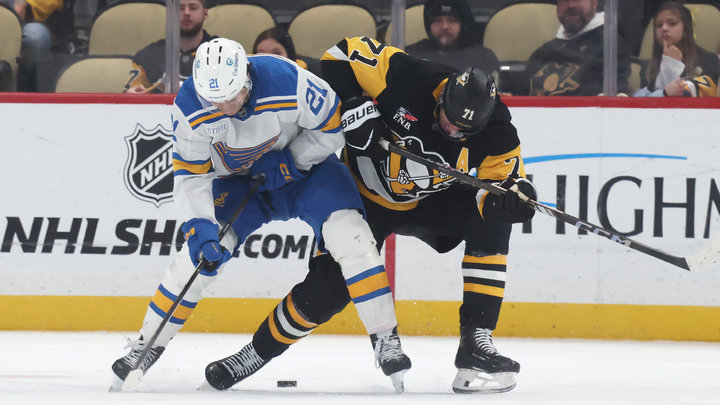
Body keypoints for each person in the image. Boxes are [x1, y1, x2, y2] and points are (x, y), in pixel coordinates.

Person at [227, 36, 535, 395]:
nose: (452, 130)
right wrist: (354, 103)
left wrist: (509, 202)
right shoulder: (410, 76)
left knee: (495, 222)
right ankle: (255, 353)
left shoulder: (499, 132)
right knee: (326, 293)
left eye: (463, 131)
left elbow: (502, 187)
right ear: (442, 97)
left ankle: (475, 343)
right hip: (361, 198)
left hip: (431, 201)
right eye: (448, 120)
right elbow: (339, 54)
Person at [111, 38, 411, 393]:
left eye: (231, 96)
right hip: (238, 184)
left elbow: (332, 127)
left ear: (247, 77)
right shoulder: (190, 106)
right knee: (196, 259)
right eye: (215, 100)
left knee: (353, 237)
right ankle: (146, 344)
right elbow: (190, 175)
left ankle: (385, 339)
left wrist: (292, 161)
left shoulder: (287, 79)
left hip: (306, 173)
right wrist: (200, 226)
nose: (224, 107)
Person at [525, 0, 632, 96]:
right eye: (564, 1)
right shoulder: (544, 51)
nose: (570, 5)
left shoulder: (610, 46)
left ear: (594, 2)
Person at [124, 0, 215, 93]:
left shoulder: (221, 52)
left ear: (205, 13)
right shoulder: (148, 55)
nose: (186, 13)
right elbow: (130, 93)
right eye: (180, 8)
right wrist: (131, 94)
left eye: (193, 8)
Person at [633, 1, 719, 97]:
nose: (664, 28)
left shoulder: (708, 60)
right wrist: (669, 65)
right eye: (659, 25)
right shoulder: (648, 68)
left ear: (686, 28)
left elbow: (703, 96)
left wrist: (671, 66)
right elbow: (647, 101)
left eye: (672, 23)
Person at [405, 0, 499, 76]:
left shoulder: (483, 58)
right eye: (438, 21)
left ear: (463, 25)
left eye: (452, 20)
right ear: (428, 26)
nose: (444, 27)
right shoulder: (411, 57)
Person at [252, 27, 318, 74]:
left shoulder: (305, 75)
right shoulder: (247, 80)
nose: (270, 60)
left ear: (289, 54)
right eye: (262, 55)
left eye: (277, 53)